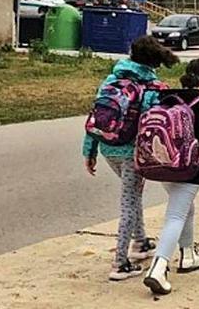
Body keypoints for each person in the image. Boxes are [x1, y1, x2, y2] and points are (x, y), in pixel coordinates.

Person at [83, 36, 179, 281]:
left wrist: (89, 151)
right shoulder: (152, 87)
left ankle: (141, 242)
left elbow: (98, 113)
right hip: (131, 152)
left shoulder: (112, 79)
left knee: (133, 195)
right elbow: (153, 126)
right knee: (128, 201)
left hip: (106, 147)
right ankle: (120, 263)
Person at [144, 59, 199, 295]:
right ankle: (158, 268)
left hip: (161, 165)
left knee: (185, 208)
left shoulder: (166, 98)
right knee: (176, 216)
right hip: (190, 168)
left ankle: (188, 255)